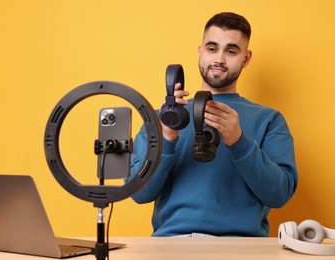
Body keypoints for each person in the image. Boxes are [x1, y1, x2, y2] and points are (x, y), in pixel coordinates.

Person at [127, 12, 298, 237]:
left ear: (246, 59)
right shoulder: (163, 118)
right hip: (172, 244)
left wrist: (240, 142)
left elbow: (279, 195)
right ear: (200, 52)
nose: (219, 59)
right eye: (212, 48)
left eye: (231, 51)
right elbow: (139, 193)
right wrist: (167, 138)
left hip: (241, 247)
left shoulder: (269, 119)